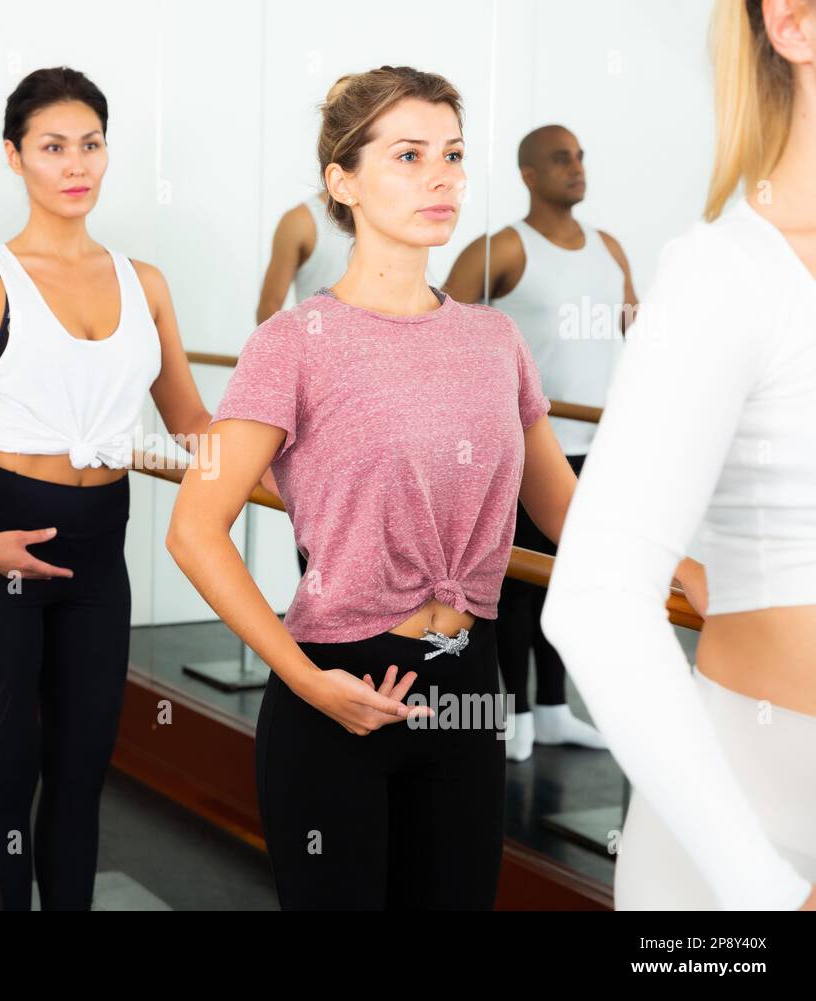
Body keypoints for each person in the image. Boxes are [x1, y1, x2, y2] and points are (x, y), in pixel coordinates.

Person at [168, 65, 708, 911]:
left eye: (452, 155)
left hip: (468, 691)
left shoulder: (494, 341)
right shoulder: (291, 343)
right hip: (338, 691)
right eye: (409, 155)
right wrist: (308, 680)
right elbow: (194, 528)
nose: (441, 176)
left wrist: (680, 567)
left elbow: (562, 504)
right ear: (342, 181)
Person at [0, 66, 273, 910]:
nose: (76, 164)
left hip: (101, 553)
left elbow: (190, 425)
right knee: (6, 772)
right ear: (14, 155)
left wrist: (292, 472)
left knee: (79, 773)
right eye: (53, 146)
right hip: (0, 549)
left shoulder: (146, 281)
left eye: (91, 144)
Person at [541, 0, 816, 911]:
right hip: (755, 822)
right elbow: (594, 602)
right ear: (793, 24)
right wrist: (770, 893)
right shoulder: (728, 273)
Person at [445, 124, 638, 759]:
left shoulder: (608, 247)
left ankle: (553, 708)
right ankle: (515, 710)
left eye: (580, 156)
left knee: (572, 583)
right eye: (561, 159)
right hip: (531, 451)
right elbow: (436, 327)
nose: (576, 167)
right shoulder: (504, 246)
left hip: (601, 447)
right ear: (528, 174)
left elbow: (636, 337)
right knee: (519, 584)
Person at [256, 75, 357, 572]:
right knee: (325, 545)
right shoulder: (301, 221)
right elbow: (269, 311)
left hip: (389, 396)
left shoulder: (410, 216)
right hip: (325, 403)